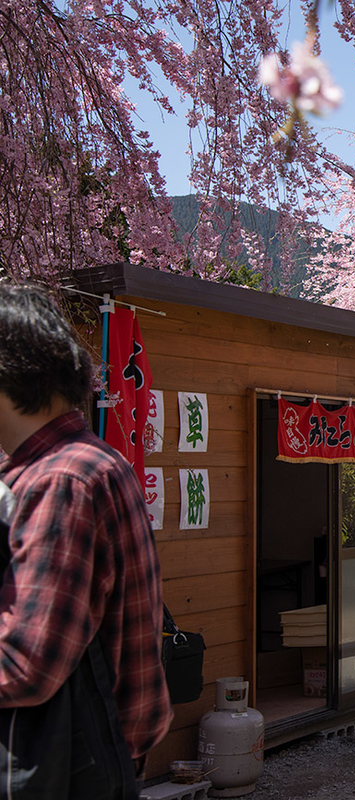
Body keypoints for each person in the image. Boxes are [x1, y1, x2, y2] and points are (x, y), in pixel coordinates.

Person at [0, 284, 171, 794]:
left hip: (63, 766)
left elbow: (28, 660)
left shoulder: (63, 479)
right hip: (92, 758)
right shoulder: (81, 464)